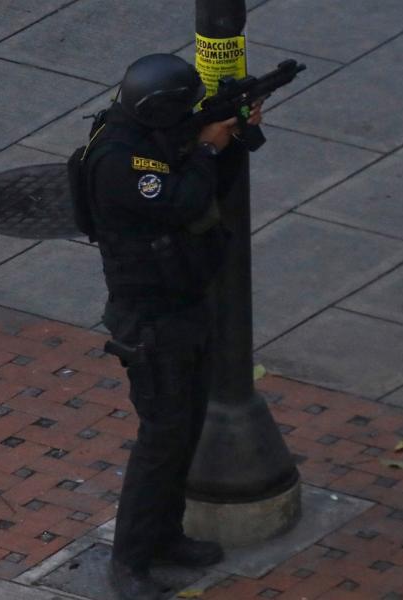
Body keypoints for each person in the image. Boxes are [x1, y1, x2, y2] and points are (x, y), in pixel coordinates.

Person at [72, 53, 262, 600]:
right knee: (160, 439)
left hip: (182, 303)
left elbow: (212, 186)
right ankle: (129, 561)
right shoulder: (117, 159)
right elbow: (184, 199)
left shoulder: (152, 132)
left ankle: (167, 536)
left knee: (185, 428)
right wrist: (207, 147)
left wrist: (234, 136)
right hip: (150, 318)